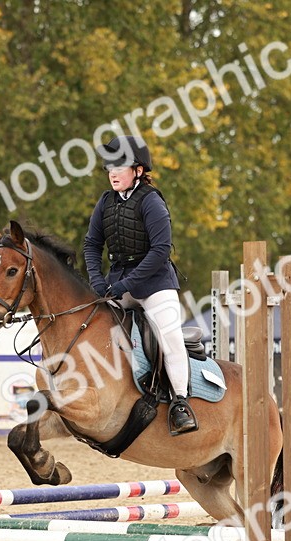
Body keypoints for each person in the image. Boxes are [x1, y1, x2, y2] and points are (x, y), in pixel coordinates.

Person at [82, 135, 197, 435]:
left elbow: (161, 250)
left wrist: (126, 284)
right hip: (117, 283)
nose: (113, 172)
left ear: (137, 170)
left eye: (119, 166)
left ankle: (181, 403)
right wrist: (97, 280)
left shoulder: (151, 201)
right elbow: (92, 244)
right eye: (109, 167)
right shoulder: (106, 202)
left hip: (155, 283)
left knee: (169, 335)